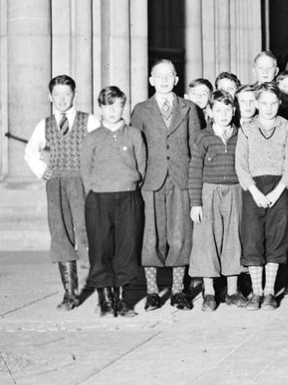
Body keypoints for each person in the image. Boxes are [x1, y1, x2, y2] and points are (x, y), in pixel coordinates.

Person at [25, 74, 100, 310]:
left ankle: (103, 289)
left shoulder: (89, 121)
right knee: (60, 233)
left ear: (74, 95)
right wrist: (42, 170)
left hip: (82, 182)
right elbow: (30, 152)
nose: (62, 99)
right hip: (56, 183)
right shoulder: (44, 124)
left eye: (66, 94)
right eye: (57, 95)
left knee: (88, 230)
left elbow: (101, 147)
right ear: (50, 97)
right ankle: (70, 293)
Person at [131, 59, 201, 311]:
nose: (163, 80)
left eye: (168, 75)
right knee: (150, 237)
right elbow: (136, 148)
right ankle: (151, 291)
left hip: (180, 180)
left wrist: (195, 186)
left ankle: (179, 290)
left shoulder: (190, 109)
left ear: (176, 79)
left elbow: (196, 149)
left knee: (180, 235)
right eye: (158, 76)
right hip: (151, 181)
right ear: (151, 80)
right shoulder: (141, 110)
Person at [80, 86, 147, 317]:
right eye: (108, 106)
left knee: (127, 249)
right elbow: (85, 172)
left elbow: (142, 167)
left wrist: (127, 185)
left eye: (117, 105)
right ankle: (105, 300)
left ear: (123, 107)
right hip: (99, 199)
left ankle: (123, 300)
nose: (112, 110)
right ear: (100, 108)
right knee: (100, 249)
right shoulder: (92, 138)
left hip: (128, 197)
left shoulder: (134, 135)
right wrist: (99, 189)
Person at [235, 83, 288, 309]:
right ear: (256, 104)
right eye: (264, 103)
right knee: (252, 239)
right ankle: (256, 292)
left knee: (276, 238)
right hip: (252, 189)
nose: (269, 107)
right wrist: (253, 190)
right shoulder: (246, 129)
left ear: (280, 104)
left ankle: (270, 292)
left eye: (273, 103)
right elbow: (241, 164)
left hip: (278, 188)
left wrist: (278, 190)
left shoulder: (287, 127)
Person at [187, 90, 244, 311]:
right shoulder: (203, 136)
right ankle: (209, 291)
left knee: (233, 238)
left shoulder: (241, 135)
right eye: (218, 109)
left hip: (234, 191)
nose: (223, 114)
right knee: (206, 240)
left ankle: (231, 290)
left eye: (228, 109)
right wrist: (195, 203)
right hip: (208, 192)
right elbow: (194, 170)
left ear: (234, 110)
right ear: (210, 111)